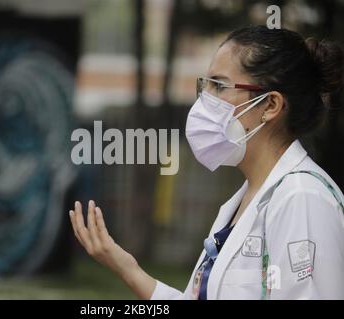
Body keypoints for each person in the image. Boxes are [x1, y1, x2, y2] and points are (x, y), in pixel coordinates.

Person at [68, 26, 344, 299]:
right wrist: (126, 267)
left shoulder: (302, 198)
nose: (204, 100)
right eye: (206, 85)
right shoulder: (245, 200)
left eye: (220, 86)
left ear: (270, 105)